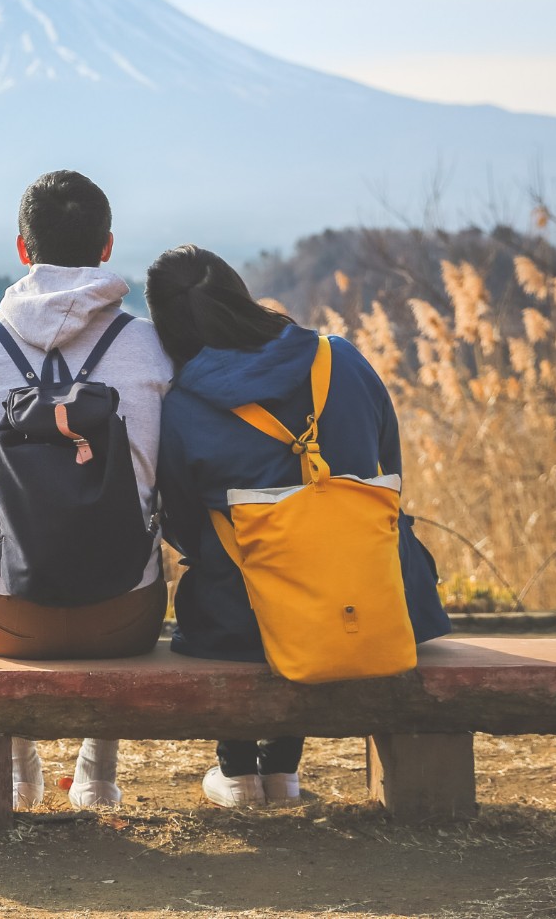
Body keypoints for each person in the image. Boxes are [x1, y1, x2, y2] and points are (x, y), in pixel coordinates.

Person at [148, 244, 451, 807]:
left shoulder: (183, 405)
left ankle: (238, 771)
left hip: (241, 621)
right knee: (323, 562)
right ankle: (283, 769)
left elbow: (184, 527)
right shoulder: (341, 358)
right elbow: (387, 476)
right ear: (239, 294)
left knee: (230, 568)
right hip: (376, 595)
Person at [0, 170, 173, 809]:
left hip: (8, 622)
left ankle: (19, 770)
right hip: (126, 618)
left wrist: (4, 536)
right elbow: (173, 473)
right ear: (107, 246)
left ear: (22, 249)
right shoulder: (153, 348)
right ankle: (96, 775)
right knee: (132, 553)